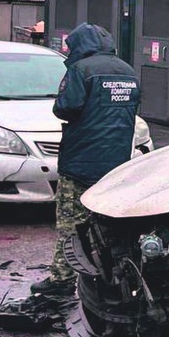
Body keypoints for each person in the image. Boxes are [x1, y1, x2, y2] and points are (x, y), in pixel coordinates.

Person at [31, 22, 141, 296]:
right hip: (115, 162)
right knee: (108, 224)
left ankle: (61, 280)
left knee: (70, 223)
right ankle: (109, 276)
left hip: (81, 160)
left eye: (71, 46)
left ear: (81, 45)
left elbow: (65, 107)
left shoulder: (81, 70)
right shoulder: (128, 71)